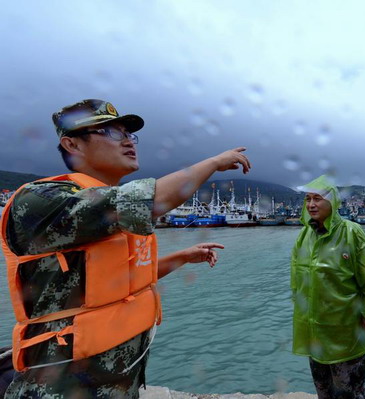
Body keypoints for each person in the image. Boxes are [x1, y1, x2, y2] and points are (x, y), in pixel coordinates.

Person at [0, 99, 251, 398]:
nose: (128, 141)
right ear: (72, 144)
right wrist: (212, 163)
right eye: (110, 132)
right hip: (61, 388)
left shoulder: (106, 206)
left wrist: (181, 258)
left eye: (129, 134)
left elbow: (121, 280)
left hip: (118, 385)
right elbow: (149, 200)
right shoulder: (41, 199)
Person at [290, 175, 365, 399]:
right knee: (323, 391)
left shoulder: (352, 233)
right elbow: (297, 279)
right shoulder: (304, 236)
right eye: (307, 199)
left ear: (332, 201)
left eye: (317, 198)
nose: (311, 204)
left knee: (351, 392)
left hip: (346, 332)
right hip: (314, 331)